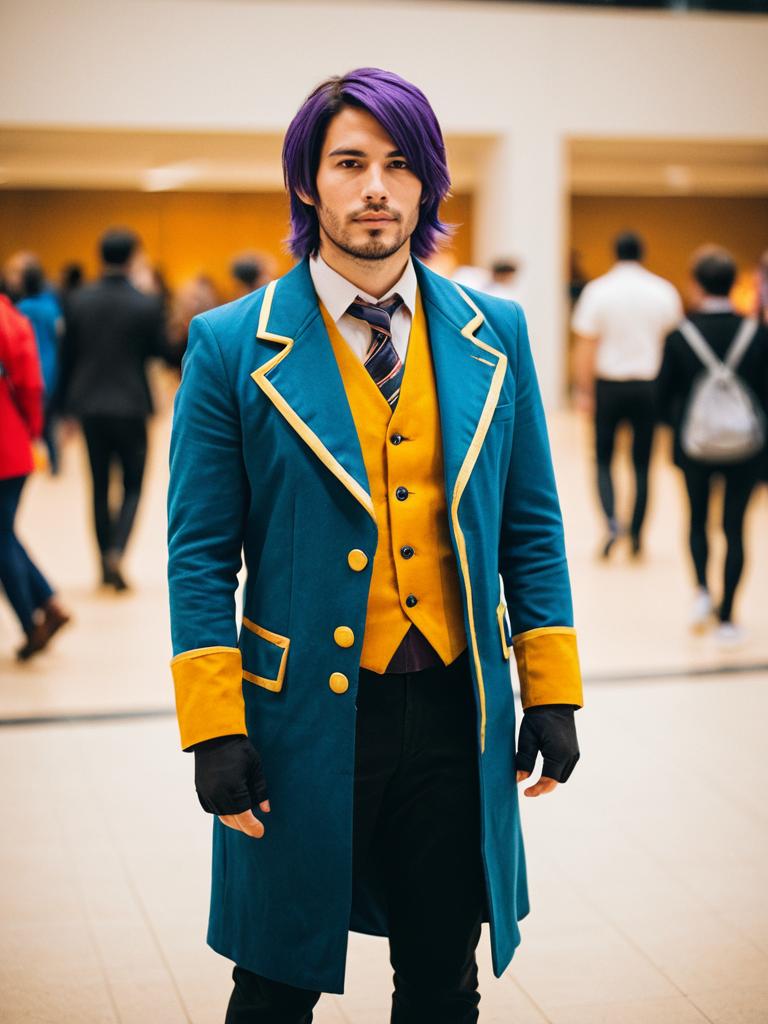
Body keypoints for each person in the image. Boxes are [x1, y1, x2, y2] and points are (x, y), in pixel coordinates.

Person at [168, 68, 583, 1023]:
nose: (377, 188)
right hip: (295, 717)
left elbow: (532, 524)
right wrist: (213, 725)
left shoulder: (496, 333)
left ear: (429, 182)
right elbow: (199, 554)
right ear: (308, 182)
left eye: (400, 165)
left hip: (452, 705)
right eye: (350, 162)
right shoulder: (232, 344)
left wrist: (552, 687)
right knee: (274, 980)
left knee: (442, 976)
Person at [657, 246, 768, 644]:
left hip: (695, 445)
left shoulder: (679, 335)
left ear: (696, 283)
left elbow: (664, 398)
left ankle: (703, 590)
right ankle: (729, 616)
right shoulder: (757, 333)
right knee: (736, 527)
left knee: (698, 519)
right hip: (747, 448)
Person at [59, 228, 169, 591]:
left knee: (98, 484)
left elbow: (67, 359)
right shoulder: (146, 303)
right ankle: (118, 551)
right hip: (132, 405)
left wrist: (62, 410)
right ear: (133, 256)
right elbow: (162, 352)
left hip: (89, 405)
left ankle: (103, 557)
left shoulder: (78, 300)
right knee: (134, 484)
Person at [572, 231, 682, 558]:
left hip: (609, 386)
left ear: (615, 252)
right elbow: (674, 344)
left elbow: (586, 346)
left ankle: (610, 522)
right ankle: (636, 533)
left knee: (604, 459)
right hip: (649, 388)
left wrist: (584, 390)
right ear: (642, 253)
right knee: (642, 463)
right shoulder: (663, 291)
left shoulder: (598, 291)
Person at [0, 292, 70, 659]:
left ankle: (31, 623)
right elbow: (30, 383)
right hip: (11, 441)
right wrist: (33, 431)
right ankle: (48, 602)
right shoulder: (9, 316)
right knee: (3, 531)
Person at [17, 260, 64, 474]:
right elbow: (60, 336)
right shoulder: (51, 307)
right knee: (51, 418)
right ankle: (55, 458)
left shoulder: (21, 309)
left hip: (29, 366)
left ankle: (36, 455)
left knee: (33, 415)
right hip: (51, 366)